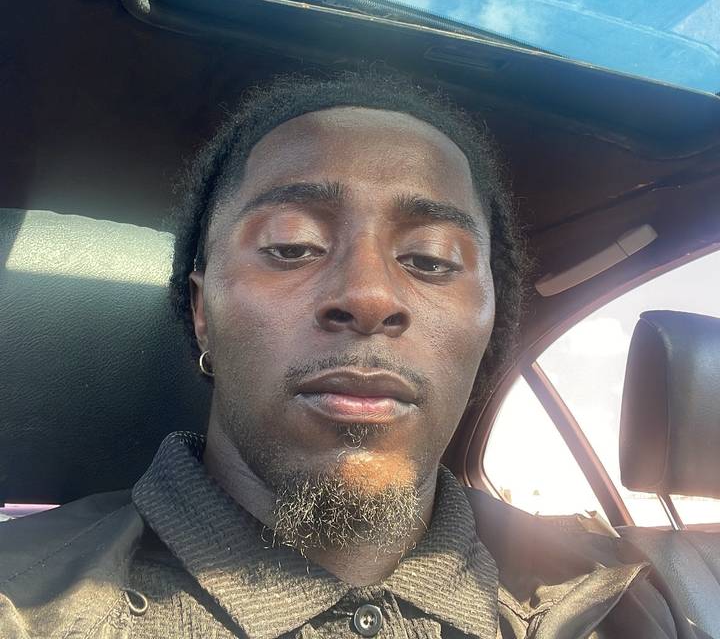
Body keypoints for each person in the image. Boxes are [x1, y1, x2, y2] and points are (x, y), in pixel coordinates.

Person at [0, 71, 677, 638]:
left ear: (490, 325)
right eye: (293, 246)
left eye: (431, 259)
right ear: (203, 313)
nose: (369, 296)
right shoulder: (22, 605)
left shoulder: (629, 605)